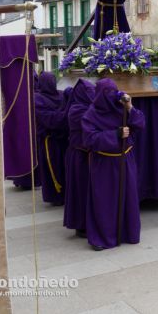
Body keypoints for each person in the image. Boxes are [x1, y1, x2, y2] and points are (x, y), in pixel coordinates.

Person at [82, 79, 145, 250]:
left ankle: (128, 233)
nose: (111, 95)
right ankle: (102, 237)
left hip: (125, 160)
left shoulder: (121, 107)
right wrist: (115, 134)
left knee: (128, 197)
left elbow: (140, 123)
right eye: (107, 92)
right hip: (104, 163)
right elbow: (89, 139)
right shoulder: (91, 114)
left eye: (113, 91)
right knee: (104, 200)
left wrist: (130, 107)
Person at [63, 79, 96, 237]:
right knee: (80, 191)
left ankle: (89, 222)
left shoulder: (90, 108)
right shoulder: (76, 110)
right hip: (79, 156)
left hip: (88, 156)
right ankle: (80, 224)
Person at [34, 72, 68, 206]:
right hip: (49, 141)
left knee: (64, 167)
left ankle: (66, 194)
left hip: (63, 139)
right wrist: (65, 115)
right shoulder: (37, 98)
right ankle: (56, 197)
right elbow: (48, 119)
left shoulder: (61, 94)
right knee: (53, 168)